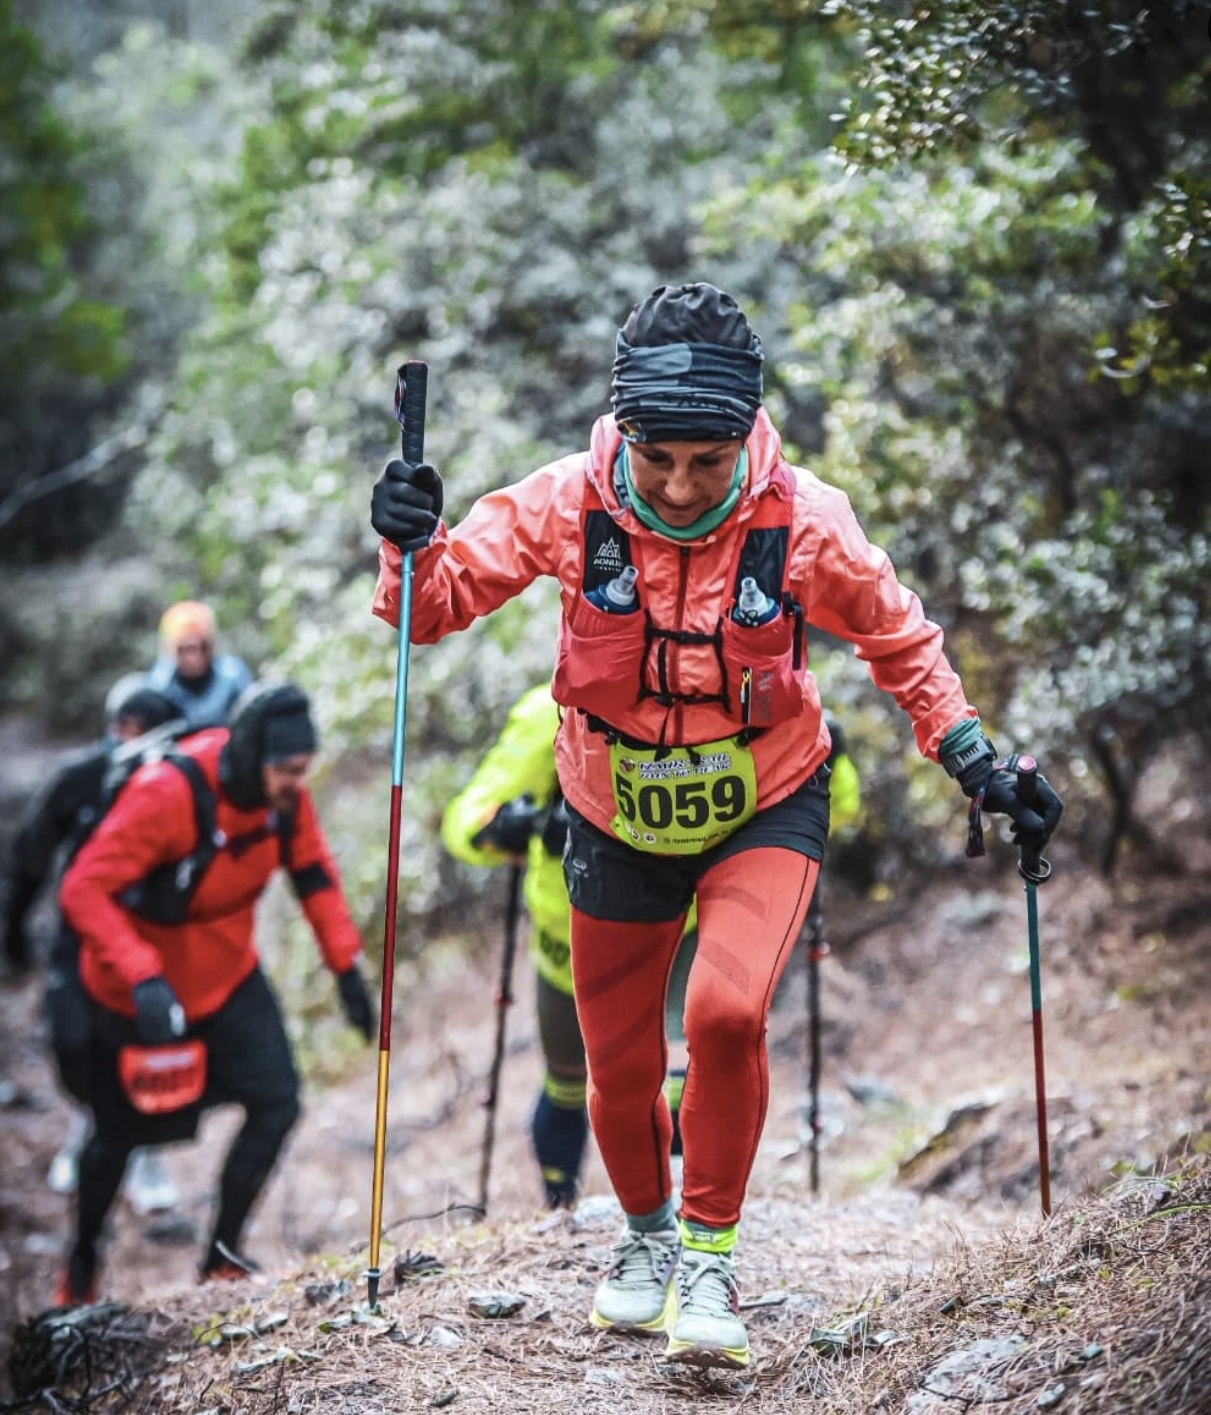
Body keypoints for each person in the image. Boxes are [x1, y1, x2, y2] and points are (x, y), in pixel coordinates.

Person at [369, 282, 1062, 1369]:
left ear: (744, 434)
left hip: (765, 798)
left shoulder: (804, 520)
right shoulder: (566, 503)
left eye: (707, 459)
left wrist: (971, 758)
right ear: (622, 435)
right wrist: (409, 539)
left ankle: (707, 1253)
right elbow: (433, 605)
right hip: (612, 808)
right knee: (617, 1066)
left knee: (727, 1013)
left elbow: (897, 640)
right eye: (657, 459)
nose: (681, 485)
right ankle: (642, 1240)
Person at [443, 686, 861, 1210]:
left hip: (684, 922)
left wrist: (831, 756)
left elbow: (826, 812)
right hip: (570, 938)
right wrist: (506, 828)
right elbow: (464, 819)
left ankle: (684, 1210)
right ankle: (560, 1211)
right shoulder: (546, 713)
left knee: (683, 1062)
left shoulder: (749, 698)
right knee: (570, 1081)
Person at [54, 680, 376, 1305]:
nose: (295, 785)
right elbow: (83, 890)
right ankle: (83, 1262)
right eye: (286, 770)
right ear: (251, 755)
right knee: (117, 1135)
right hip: (136, 992)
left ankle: (222, 1257)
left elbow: (313, 874)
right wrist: (142, 973)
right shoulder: (168, 794)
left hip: (227, 978)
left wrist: (347, 971)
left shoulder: (284, 802)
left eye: (304, 771)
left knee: (278, 1099)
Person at [2, 674, 185, 1213]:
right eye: (120, 728)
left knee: (149, 1041)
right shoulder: (79, 779)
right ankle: (88, 1124)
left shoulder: (176, 783)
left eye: (141, 729)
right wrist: (12, 930)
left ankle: (146, 1152)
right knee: (73, 1039)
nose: (128, 739)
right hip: (79, 934)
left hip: (151, 935)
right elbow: (31, 855)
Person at [145, 599, 253, 730]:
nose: (194, 657)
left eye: (202, 647)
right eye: (185, 649)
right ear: (172, 650)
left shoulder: (232, 675)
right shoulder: (160, 682)